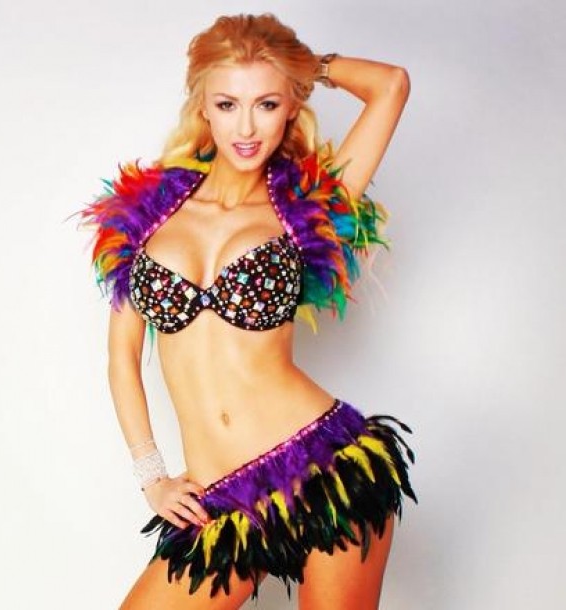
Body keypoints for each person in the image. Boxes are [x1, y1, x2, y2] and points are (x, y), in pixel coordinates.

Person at [76, 12, 416, 610]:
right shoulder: (146, 217)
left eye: (267, 103)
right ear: (203, 108)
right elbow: (121, 357)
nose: (247, 126)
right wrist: (153, 476)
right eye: (228, 104)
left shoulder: (308, 207)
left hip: (324, 468)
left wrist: (303, 65)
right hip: (221, 501)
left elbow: (390, 84)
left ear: (290, 108)